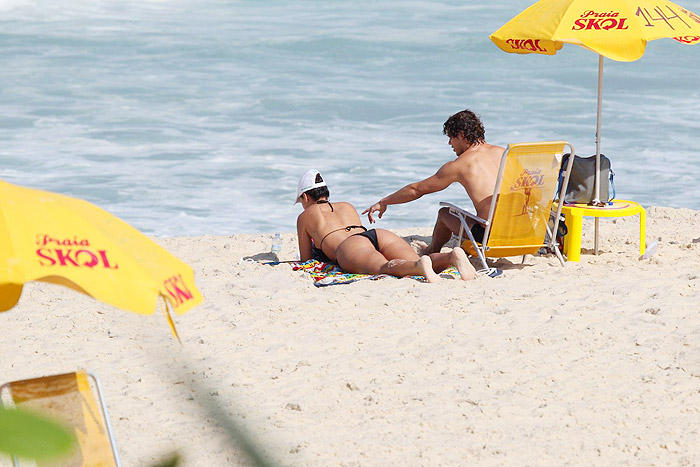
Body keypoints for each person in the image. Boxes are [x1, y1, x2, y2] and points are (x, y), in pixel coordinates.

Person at [295, 169, 476, 283]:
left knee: (386, 267)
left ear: (305, 197)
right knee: (412, 259)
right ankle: (452, 256)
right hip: (376, 235)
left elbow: (306, 260)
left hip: (350, 248)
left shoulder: (304, 216)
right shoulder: (347, 205)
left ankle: (420, 266)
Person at [363, 109, 504, 255]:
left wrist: (384, 202)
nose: (449, 143)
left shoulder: (460, 164)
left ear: (461, 135)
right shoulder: (504, 154)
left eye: (451, 137)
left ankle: (431, 251)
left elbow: (416, 189)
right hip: (523, 231)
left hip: (492, 236)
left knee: (444, 213)